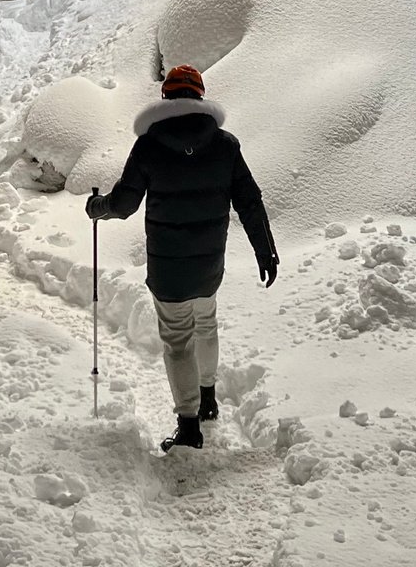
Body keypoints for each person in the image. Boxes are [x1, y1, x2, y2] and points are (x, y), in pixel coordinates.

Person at [86, 62, 278, 452]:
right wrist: (265, 249)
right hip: (209, 264)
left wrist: (97, 207)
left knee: (177, 341)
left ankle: (188, 424)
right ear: (200, 96)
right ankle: (207, 399)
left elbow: (123, 204)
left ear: (166, 97)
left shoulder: (150, 145)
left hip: (168, 268)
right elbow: (249, 200)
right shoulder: (225, 145)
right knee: (206, 323)